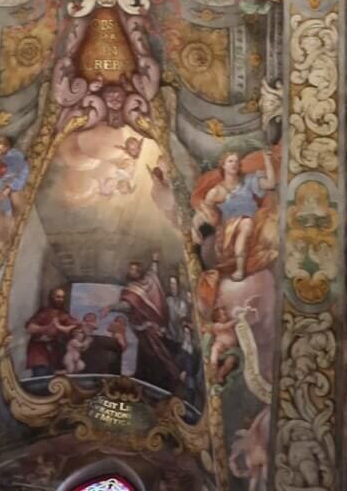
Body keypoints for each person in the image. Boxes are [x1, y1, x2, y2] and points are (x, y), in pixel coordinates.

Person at [102, 252, 180, 390]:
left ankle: (164, 380)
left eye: (135, 269)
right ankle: (147, 378)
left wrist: (111, 307)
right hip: (143, 329)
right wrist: (112, 307)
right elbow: (128, 305)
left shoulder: (144, 283)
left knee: (156, 353)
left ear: (140, 271)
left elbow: (152, 276)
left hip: (151, 328)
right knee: (146, 353)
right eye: (131, 269)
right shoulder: (131, 289)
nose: (133, 271)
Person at [194, 150, 276, 281]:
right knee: (245, 224)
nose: (234, 164)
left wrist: (267, 161)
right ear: (223, 166)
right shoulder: (216, 192)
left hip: (254, 221)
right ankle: (239, 267)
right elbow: (203, 212)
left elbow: (271, 184)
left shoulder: (248, 181)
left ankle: (241, 268)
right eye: (230, 161)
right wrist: (195, 230)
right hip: (229, 229)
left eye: (236, 161)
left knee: (253, 224)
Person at [25, 288, 79, 377]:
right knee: (40, 375)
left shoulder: (64, 314)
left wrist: (60, 327)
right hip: (39, 350)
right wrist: (46, 328)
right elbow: (30, 328)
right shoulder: (43, 312)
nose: (60, 299)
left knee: (52, 378)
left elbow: (75, 328)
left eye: (62, 297)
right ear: (51, 297)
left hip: (54, 350)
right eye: (58, 297)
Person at [165, 275, 188, 352]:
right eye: (171, 284)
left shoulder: (182, 303)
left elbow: (183, 320)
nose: (172, 286)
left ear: (178, 286)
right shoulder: (167, 301)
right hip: (169, 338)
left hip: (179, 339)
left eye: (174, 284)